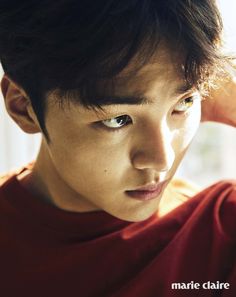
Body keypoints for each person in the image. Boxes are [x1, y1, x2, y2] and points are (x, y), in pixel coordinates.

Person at [0, 0, 235, 296]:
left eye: (185, 102)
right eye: (118, 119)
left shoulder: (220, 230)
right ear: (24, 107)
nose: (162, 159)